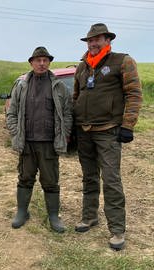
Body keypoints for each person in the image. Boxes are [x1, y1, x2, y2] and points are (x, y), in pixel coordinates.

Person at [73, 23, 142, 250]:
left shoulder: (122, 61)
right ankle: (90, 216)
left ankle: (117, 230)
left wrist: (128, 125)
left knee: (111, 180)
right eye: (90, 40)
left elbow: (134, 94)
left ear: (107, 40)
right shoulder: (82, 67)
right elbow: (76, 96)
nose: (92, 43)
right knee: (89, 177)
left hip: (109, 131)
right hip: (84, 131)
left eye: (97, 39)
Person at [6, 47, 72, 233]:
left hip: (49, 144)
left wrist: (64, 134)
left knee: (51, 181)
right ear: (31, 63)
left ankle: (53, 216)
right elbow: (12, 112)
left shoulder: (58, 86)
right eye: (38, 60)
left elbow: (67, 113)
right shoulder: (22, 86)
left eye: (45, 60)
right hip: (27, 143)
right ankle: (21, 212)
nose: (42, 63)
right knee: (25, 178)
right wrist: (15, 132)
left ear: (49, 62)